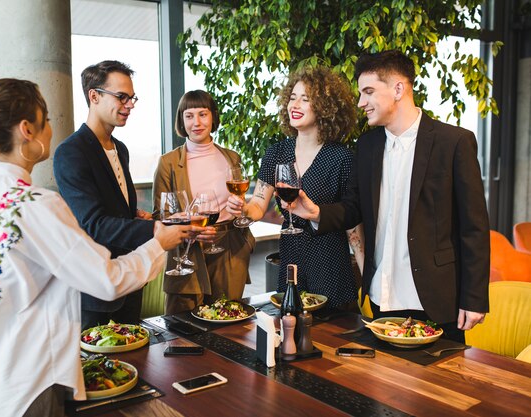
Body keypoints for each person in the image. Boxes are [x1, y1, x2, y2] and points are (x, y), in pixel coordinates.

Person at [0, 78, 192, 416]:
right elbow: (108, 280)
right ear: (27, 129)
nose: (51, 130)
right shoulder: (35, 204)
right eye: (46, 120)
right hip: (24, 389)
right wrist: (157, 243)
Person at [289, 50, 490, 342]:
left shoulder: (454, 142)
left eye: (368, 91)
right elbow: (354, 208)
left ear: (398, 89)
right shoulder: (368, 145)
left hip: (437, 298)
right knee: (382, 385)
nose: (361, 103)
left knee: (440, 386)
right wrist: (316, 213)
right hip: (382, 297)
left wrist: (473, 298)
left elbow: (474, 228)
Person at [226, 66, 363, 309]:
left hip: (330, 261)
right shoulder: (276, 153)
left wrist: (367, 283)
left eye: (305, 99)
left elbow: (353, 226)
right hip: (291, 258)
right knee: (290, 328)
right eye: (292, 98)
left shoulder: (342, 158)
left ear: (325, 108)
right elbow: (258, 205)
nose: (294, 105)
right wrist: (243, 209)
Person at [54, 60, 154, 328]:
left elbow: (114, 208)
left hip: (130, 280)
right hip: (94, 287)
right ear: (94, 96)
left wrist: (134, 215)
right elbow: (94, 225)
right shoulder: (71, 152)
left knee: (136, 362)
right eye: (122, 97)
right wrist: (158, 231)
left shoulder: (120, 149)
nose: (130, 105)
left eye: (132, 98)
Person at [153, 90, 255, 314]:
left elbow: (239, 202)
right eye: (189, 116)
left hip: (230, 247)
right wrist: (191, 230)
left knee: (228, 318)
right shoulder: (168, 163)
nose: (196, 123)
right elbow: (159, 214)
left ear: (213, 117)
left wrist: (241, 210)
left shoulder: (231, 157)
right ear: (181, 119)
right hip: (188, 249)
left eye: (203, 114)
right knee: (184, 323)